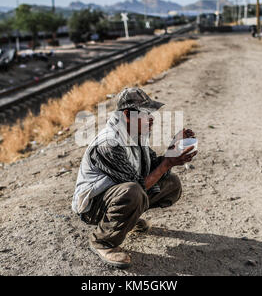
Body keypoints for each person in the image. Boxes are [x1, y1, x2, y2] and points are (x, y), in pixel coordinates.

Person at [72, 87, 198, 269]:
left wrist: (173, 150)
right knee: (134, 192)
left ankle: (126, 220)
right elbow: (138, 184)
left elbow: (152, 169)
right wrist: (167, 163)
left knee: (171, 184)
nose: (152, 118)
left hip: (120, 193)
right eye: (146, 114)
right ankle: (102, 241)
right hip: (92, 206)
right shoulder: (110, 143)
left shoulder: (136, 134)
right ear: (127, 115)